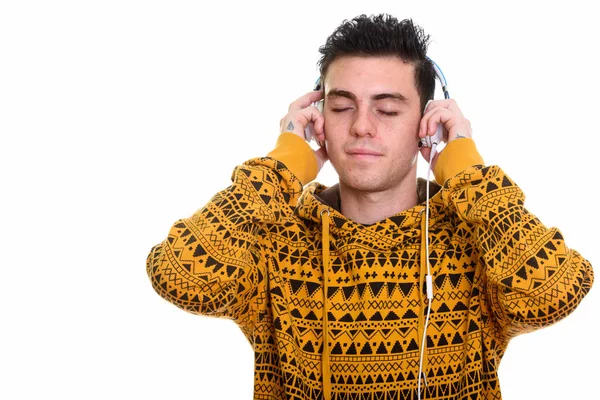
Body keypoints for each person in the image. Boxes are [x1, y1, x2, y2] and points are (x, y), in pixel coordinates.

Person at [146, 14, 593, 400]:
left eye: (387, 109)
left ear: (427, 125)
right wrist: (281, 165)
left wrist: (468, 173)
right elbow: (181, 277)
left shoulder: (476, 236)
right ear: (318, 121)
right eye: (342, 106)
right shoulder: (273, 237)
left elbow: (553, 294)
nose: (361, 126)